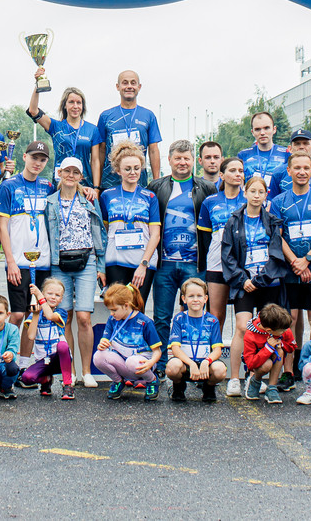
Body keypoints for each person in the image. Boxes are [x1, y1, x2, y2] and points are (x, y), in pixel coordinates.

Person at [219, 174, 288, 399]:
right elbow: (228, 255)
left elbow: (276, 254)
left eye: (261, 192)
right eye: (253, 191)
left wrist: (260, 280)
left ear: (266, 195)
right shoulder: (233, 221)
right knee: (242, 327)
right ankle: (234, 379)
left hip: (268, 282)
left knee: (271, 329)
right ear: (245, 192)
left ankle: (262, 380)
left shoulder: (273, 221)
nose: (257, 196)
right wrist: (243, 280)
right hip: (244, 283)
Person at [272, 151, 311, 389]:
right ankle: (288, 371)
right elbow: (278, 237)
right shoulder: (279, 202)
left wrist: (306, 260)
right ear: (288, 171)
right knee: (290, 319)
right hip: (289, 270)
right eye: (297, 168)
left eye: (306, 168)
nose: (302, 172)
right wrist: (296, 262)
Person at [43, 156, 103, 389]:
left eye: (75, 172)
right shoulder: (50, 202)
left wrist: (101, 266)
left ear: (81, 176)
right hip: (59, 263)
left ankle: (87, 371)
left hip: (86, 262)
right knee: (64, 317)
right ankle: (70, 372)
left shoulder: (90, 200)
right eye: (66, 171)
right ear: (59, 173)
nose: (70, 175)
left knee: (84, 317)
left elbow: (99, 232)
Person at [148, 139, 214, 346]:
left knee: (194, 316)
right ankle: (161, 361)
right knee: (161, 317)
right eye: (178, 158)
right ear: (169, 160)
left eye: (186, 158)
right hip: (164, 264)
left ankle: (191, 359)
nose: (182, 162)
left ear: (193, 161)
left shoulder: (207, 188)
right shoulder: (156, 187)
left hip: (194, 263)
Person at [198, 157, 246, 388]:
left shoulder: (249, 199)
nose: (238, 174)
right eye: (233, 170)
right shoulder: (210, 202)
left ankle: (244, 366)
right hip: (217, 264)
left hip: (243, 267)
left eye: (241, 171)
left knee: (243, 319)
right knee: (216, 316)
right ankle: (210, 364)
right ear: (222, 175)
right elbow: (205, 237)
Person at [0, 141, 54, 327]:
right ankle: (9, 347)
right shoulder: (8, 186)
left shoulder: (48, 186)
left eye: (42, 160)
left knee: (35, 314)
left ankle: (27, 349)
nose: (37, 163)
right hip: (18, 261)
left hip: (43, 260)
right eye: (34, 158)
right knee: (18, 314)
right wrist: (10, 261)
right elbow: (2, 226)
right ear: (24, 157)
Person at [99, 142, 161, 299]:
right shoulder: (107, 195)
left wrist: (143, 264)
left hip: (142, 261)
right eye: (127, 169)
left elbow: (155, 235)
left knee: (137, 308)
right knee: (117, 307)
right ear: (118, 170)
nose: (133, 172)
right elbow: (104, 233)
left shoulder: (150, 197)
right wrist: (100, 266)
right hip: (115, 261)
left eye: (136, 168)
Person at [91, 70, 162, 187]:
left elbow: (153, 150)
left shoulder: (148, 116)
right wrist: (97, 186)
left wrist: (156, 182)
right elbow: (100, 152)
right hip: (109, 184)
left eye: (133, 83)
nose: (129, 86)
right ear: (117, 87)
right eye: (125, 83)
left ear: (139, 87)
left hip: (139, 183)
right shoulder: (106, 116)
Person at [93, 282, 164, 400]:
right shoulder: (112, 319)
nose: (111, 313)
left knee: (132, 362)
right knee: (98, 357)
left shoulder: (145, 322)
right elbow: (105, 338)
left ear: (126, 306)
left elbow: (157, 351)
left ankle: (152, 380)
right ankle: (118, 381)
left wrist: (151, 363)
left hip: (140, 364)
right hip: (123, 361)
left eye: (114, 310)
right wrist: (102, 343)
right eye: (110, 310)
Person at [166, 276, 225, 402]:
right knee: (172, 367)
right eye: (191, 296)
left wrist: (206, 362)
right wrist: (191, 363)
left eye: (199, 296)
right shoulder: (179, 319)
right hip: (186, 364)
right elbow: (175, 349)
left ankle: (208, 387)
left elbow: (217, 350)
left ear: (205, 299)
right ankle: (178, 387)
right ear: (184, 299)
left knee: (220, 370)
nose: (195, 299)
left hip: (205, 365)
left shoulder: (212, 320)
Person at [27, 80, 97, 179]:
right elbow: (33, 111)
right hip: (60, 182)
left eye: (79, 103)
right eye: (71, 102)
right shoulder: (55, 126)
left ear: (83, 106)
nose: (75, 106)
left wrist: (96, 186)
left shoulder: (92, 129)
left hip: (84, 183)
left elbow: (95, 161)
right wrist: (38, 85)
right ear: (65, 105)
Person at [19, 277, 76, 397]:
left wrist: (39, 296)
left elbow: (50, 316)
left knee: (63, 346)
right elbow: (31, 336)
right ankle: (46, 380)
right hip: (42, 359)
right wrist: (35, 315)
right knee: (26, 378)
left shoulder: (61, 313)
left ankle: (67, 385)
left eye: (57, 295)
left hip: (59, 359)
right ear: (44, 294)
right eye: (50, 293)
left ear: (61, 299)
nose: (53, 297)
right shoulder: (36, 314)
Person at [239, 303, 295, 404]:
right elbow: (250, 364)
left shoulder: (281, 325)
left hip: (274, 356)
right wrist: (268, 348)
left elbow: (292, 346)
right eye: (282, 331)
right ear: (269, 330)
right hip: (258, 361)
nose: (285, 331)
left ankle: (272, 388)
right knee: (266, 365)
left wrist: (281, 344)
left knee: (280, 351)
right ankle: (255, 381)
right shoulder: (251, 334)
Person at [238, 111, 289, 197]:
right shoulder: (243, 155)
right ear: (252, 132)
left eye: (266, 128)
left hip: (276, 203)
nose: (262, 133)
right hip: (251, 203)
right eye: (257, 129)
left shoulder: (285, 154)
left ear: (274, 129)